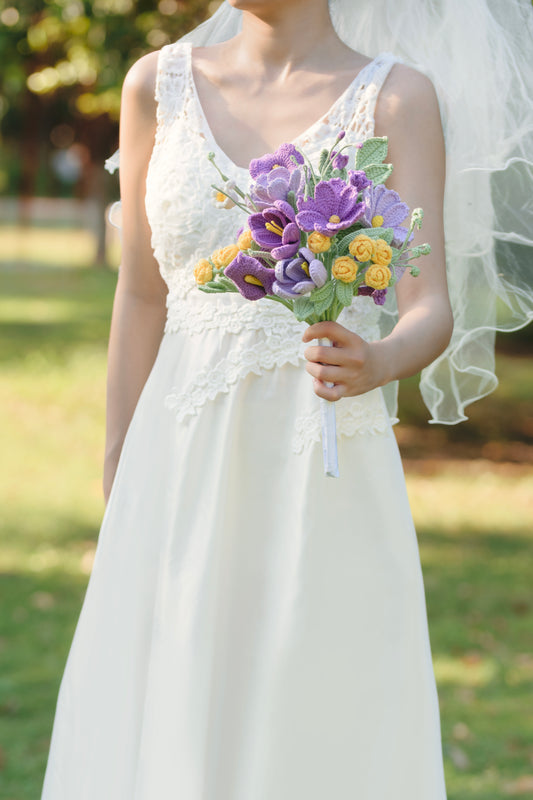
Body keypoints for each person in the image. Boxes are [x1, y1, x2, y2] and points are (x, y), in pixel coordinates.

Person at [41, 1, 533, 797]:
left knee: (310, 692)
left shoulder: (396, 98)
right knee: (176, 688)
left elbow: (429, 306)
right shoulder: (154, 86)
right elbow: (139, 294)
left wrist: (378, 360)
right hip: (179, 452)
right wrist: (119, 457)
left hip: (321, 450)